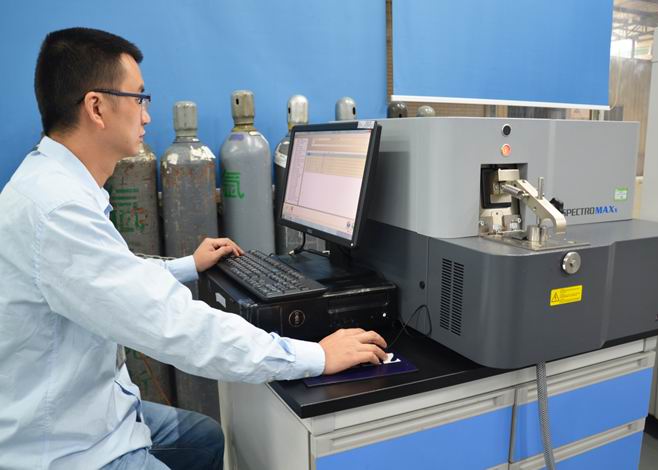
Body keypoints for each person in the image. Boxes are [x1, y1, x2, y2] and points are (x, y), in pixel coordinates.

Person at [0, 27, 388, 470]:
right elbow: (174, 325)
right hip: (70, 448)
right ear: (97, 107)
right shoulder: (58, 211)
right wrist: (316, 356)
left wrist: (187, 265)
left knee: (204, 438)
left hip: (91, 407)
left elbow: (112, 278)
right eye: (139, 98)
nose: (147, 116)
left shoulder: (52, 186)